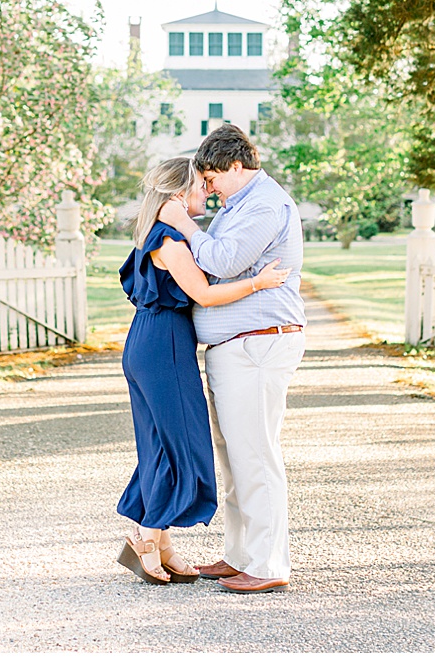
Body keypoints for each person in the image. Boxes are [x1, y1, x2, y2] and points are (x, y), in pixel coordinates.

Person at [116, 155, 291, 586]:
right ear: (178, 194)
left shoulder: (162, 235)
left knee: (162, 443)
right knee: (179, 447)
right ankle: (144, 538)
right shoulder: (172, 241)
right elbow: (204, 295)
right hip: (165, 348)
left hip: (152, 342)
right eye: (200, 185)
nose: (207, 192)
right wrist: (258, 283)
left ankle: (163, 544)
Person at [156, 123, 306, 594]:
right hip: (237, 347)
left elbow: (221, 261)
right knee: (235, 457)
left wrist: (185, 226)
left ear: (236, 166)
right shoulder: (241, 205)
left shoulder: (265, 205)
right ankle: (242, 553)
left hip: (258, 343)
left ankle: (267, 564)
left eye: (211, 178)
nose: (208, 188)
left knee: (256, 454)